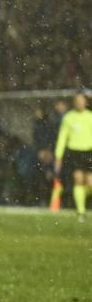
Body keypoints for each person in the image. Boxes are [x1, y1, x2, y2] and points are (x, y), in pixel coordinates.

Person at [54, 92, 92, 222]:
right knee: (78, 179)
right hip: (74, 152)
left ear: (85, 102)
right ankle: (81, 212)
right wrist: (58, 155)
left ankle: (81, 199)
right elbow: (62, 137)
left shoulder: (90, 117)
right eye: (77, 100)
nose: (79, 102)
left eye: (82, 100)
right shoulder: (68, 118)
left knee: (90, 183)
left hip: (89, 152)